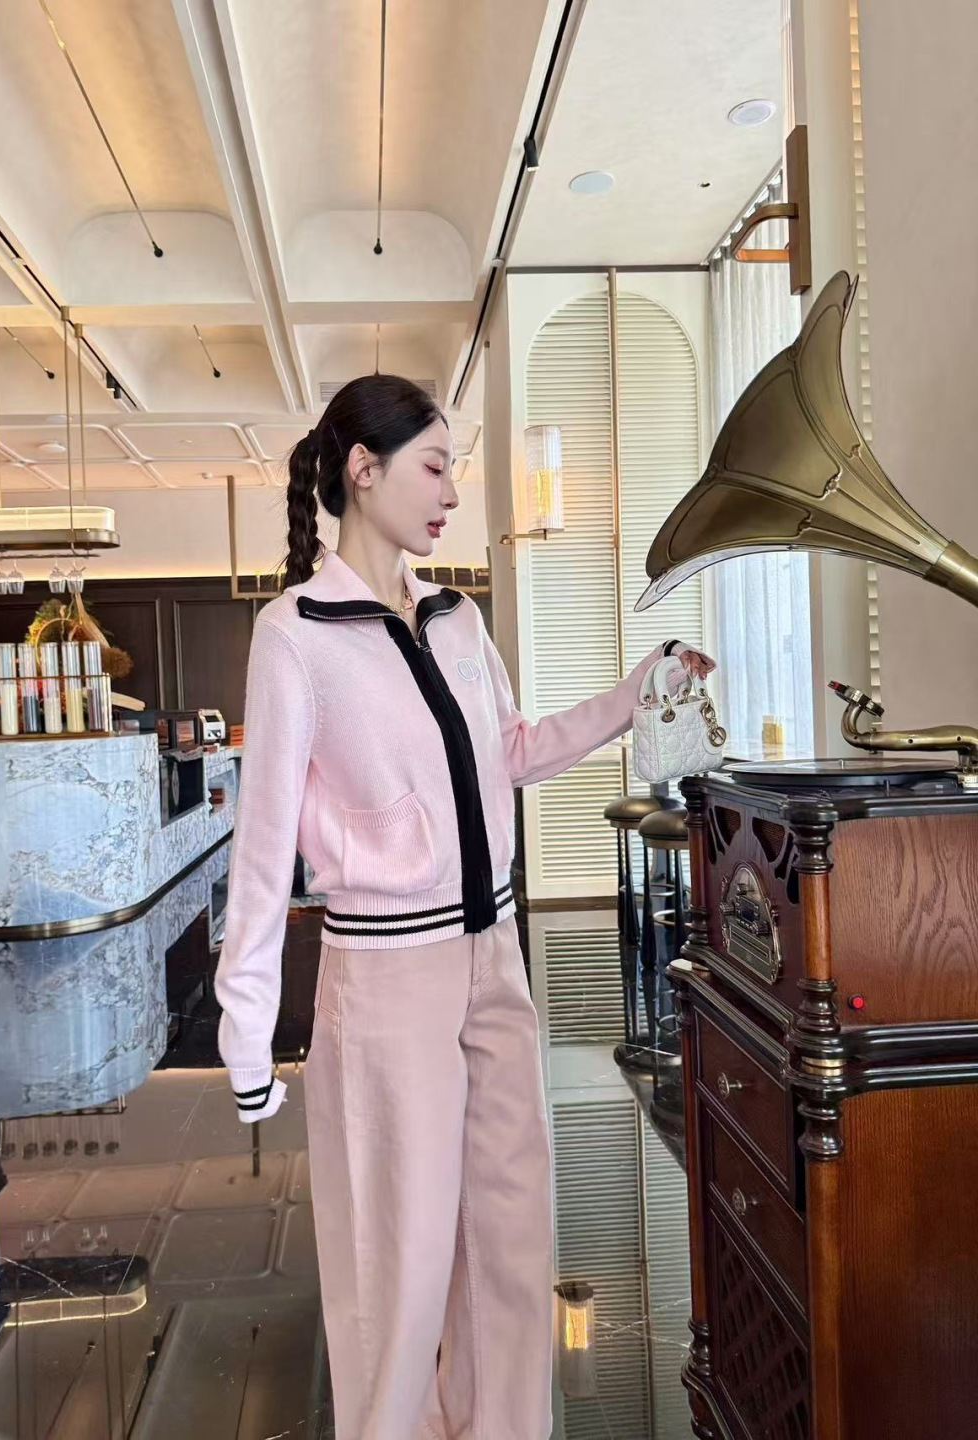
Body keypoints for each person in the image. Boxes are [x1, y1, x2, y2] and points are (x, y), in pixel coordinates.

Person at [214, 374, 714, 1440]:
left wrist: (636, 692)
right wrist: (246, 1026)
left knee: (509, 1240)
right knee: (394, 1267)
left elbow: (513, 751)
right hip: (384, 979)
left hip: (496, 959)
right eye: (434, 467)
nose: (451, 494)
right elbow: (261, 843)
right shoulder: (295, 635)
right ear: (364, 469)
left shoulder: (457, 617)